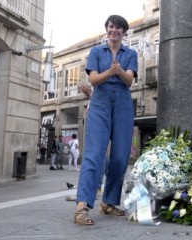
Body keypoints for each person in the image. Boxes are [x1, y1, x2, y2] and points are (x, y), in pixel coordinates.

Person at [74, 14, 138, 226]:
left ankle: (109, 202)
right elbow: (93, 79)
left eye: (119, 28)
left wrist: (118, 72)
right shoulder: (96, 52)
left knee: (120, 157)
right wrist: (111, 71)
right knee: (94, 155)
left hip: (122, 105)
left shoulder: (130, 53)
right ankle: (82, 205)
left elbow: (129, 80)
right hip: (100, 103)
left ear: (124, 32)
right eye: (112, 27)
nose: (115, 31)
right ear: (107, 29)